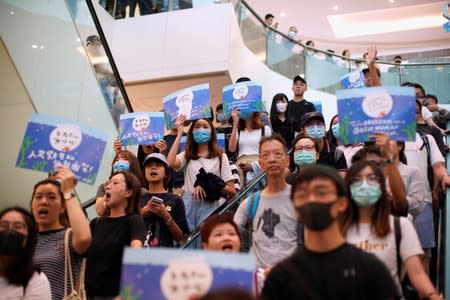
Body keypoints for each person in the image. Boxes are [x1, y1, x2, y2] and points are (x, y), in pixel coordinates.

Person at [261, 165, 400, 300]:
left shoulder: (370, 269)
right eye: (302, 194)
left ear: (342, 204)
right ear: (295, 209)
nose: (312, 199)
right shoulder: (281, 276)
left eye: (321, 192)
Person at [342, 160, 441, 299]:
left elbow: (417, 273)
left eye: (371, 178)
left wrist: (432, 295)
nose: (364, 185)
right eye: (357, 180)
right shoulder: (336, 228)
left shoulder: (401, 226)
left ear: (382, 187)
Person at [234, 135, 297, 269]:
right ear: (260, 163)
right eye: (266, 155)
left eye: (278, 154)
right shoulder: (249, 204)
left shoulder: (300, 200)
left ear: (287, 160)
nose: (272, 159)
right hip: (260, 280)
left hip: (293, 277)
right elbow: (234, 237)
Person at [167, 116, 236, 238]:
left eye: (205, 127)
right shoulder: (187, 155)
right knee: (190, 243)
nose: (201, 129)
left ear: (211, 132)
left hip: (212, 206)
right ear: (192, 132)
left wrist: (209, 185)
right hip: (189, 206)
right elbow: (170, 162)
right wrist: (179, 134)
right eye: (197, 127)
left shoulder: (221, 156)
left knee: (208, 241)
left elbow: (231, 189)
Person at [31, 166, 91, 300]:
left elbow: (84, 238)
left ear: (63, 206)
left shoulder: (68, 237)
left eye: (51, 197)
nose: (44, 201)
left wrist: (68, 191)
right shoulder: (26, 240)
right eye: (38, 197)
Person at [85, 171, 146, 298]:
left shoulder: (134, 221)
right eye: (108, 183)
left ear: (128, 192)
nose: (108, 186)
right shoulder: (96, 223)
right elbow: (83, 261)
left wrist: (125, 294)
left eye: (115, 183)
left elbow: (137, 255)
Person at [0, 207, 52, 299]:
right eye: (4, 225)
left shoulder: (36, 281)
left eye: (18, 227)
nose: (10, 230)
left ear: (29, 238)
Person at [140, 153, 190, 247]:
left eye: (158, 165)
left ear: (166, 173)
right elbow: (125, 230)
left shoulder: (175, 200)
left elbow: (182, 238)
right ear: (144, 173)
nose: (153, 168)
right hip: (138, 256)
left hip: (164, 256)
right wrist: (141, 214)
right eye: (149, 166)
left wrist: (166, 217)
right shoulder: (137, 199)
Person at [228, 108, 272, 186]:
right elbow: (231, 149)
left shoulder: (265, 130)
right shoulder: (238, 131)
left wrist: (253, 165)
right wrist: (235, 123)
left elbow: (269, 153)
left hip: (259, 166)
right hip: (241, 167)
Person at [95, 149, 146, 216]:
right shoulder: (104, 187)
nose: (120, 162)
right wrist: (108, 189)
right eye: (117, 160)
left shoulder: (141, 191)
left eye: (125, 159)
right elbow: (100, 211)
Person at [301, 112, 348, 176]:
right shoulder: (297, 151)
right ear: (303, 130)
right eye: (310, 125)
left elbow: (342, 180)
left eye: (319, 124)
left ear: (324, 127)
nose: (315, 127)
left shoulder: (337, 153)